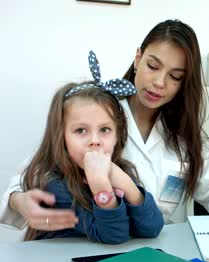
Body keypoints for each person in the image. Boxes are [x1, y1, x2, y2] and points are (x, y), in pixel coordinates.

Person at [1, 19, 209, 252]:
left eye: (175, 76)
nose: (159, 82)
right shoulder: (99, 114)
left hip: (154, 250)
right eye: (153, 65)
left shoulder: (183, 136)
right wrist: (20, 200)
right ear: (138, 57)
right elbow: (37, 170)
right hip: (85, 248)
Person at [20, 51, 164, 244]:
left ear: (117, 136)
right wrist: (101, 186)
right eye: (81, 130)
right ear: (61, 137)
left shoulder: (121, 172)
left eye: (105, 129)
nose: (94, 141)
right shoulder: (55, 185)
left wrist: (127, 184)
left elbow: (152, 227)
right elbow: (113, 235)